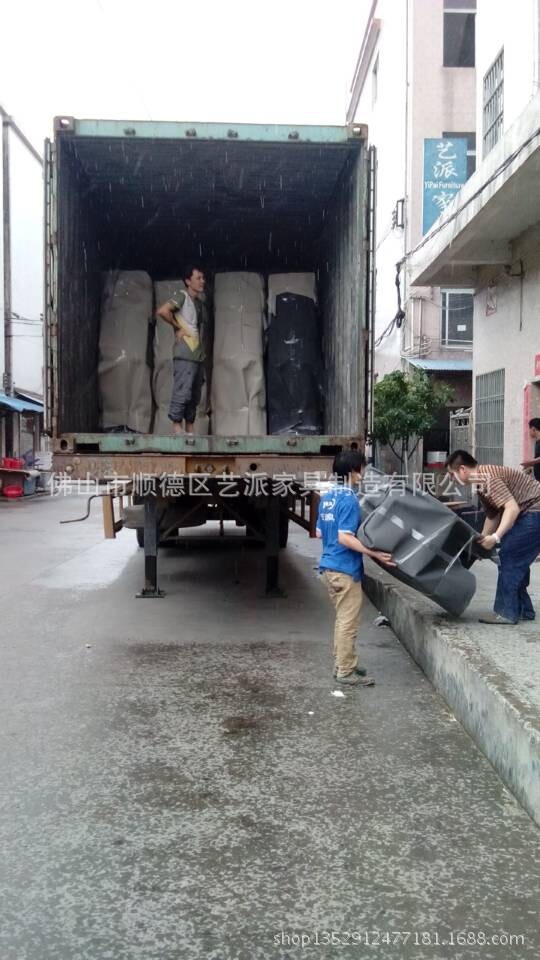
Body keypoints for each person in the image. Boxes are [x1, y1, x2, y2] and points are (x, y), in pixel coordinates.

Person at [316, 450, 396, 686]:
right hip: (344, 569)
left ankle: (343, 662)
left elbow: (319, 532)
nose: (364, 471)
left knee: (342, 619)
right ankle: (345, 671)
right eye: (363, 467)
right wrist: (374, 553)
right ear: (354, 471)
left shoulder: (327, 497)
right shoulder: (350, 499)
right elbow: (344, 537)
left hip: (329, 567)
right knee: (348, 623)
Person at [446, 450, 540, 625]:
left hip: (535, 511)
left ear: (462, 469)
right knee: (515, 558)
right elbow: (493, 516)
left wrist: (495, 537)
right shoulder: (480, 483)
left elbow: (512, 509)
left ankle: (507, 612)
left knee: (509, 555)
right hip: (530, 513)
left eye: (452, 474)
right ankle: (523, 610)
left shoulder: (487, 477)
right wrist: (482, 541)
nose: (451, 479)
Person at [156, 265, 206, 435]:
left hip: (197, 355)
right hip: (185, 354)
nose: (202, 281)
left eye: (203, 278)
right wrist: (178, 327)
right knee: (183, 390)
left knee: (194, 394)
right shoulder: (182, 296)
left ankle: (189, 427)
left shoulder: (198, 303)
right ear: (188, 281)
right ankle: (177, 426)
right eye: (198, 278)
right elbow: (163, 311)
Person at [521, 418, 540, 482]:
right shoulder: (537, 442)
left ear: (533, 429)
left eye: (529, 429)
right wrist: (530, 465)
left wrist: (529, 462)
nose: (529, 431)